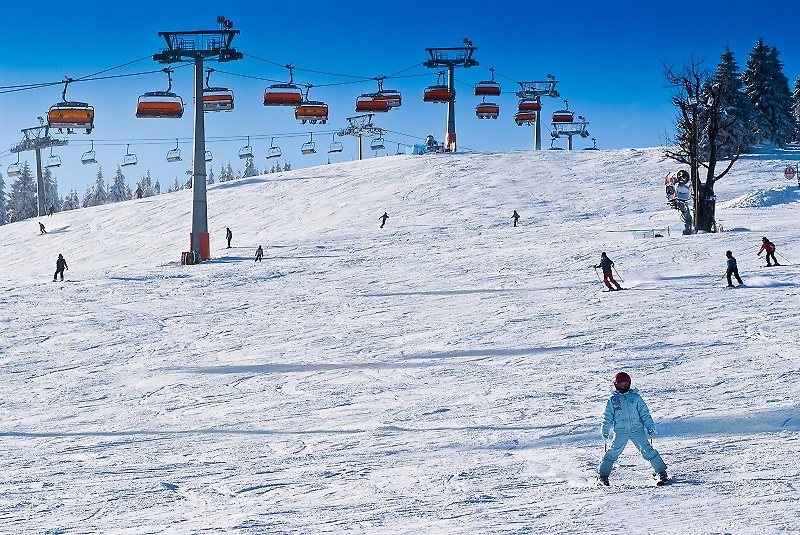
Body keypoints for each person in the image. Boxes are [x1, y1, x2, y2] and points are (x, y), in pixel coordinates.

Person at [597, 372, 669, 486]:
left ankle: (661, 472)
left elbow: (644, 413)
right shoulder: (613, 400)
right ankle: (602, 476)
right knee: (612, 453)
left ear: (629, 384)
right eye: (620, 385)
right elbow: (607, 417)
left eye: (625, 384)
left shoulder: (635, 398)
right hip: (621, 431)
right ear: (615, 385)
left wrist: (649, 426)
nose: (623, 387)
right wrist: (605, 430)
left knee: (648, 451)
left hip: (637, 430)